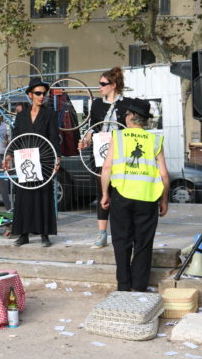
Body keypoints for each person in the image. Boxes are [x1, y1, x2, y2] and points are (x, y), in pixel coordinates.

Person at [100, 98, 169, 292]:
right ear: (145, 120)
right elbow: (163, 174)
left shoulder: (118, 136)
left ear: (130, 117)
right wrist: (164, 200)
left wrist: (105, 194)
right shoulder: (156, 140)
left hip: (122, 195)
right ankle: (139, 286)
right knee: (143, 243)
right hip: (148, 198)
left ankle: (123, 285)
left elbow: (107, 167)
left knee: (121, 241)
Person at [78, 66, 133, 249]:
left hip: (120, 153)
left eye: (103, 84)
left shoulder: (127, 104)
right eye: (99, 84)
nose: (100, 87)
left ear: (113, 85)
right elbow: (93, 127)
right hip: (100, 152)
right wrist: (85, 140)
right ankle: (102, 234)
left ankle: (122, 233)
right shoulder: (97, 104)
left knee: (121, 193)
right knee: (102, 192)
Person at [4, 78, 61, 247]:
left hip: (43, 160)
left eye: (44, 93)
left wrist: (57, 158)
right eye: (38, 93)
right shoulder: (21, 115)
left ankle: (44, 234)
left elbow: (54, 138)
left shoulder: (50, 114)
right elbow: (16, 138)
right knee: (24, 197)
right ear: (30, 95)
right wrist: (8, 157)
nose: (41, 96)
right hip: (25, 159)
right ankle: (23, 234)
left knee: (44, 195)